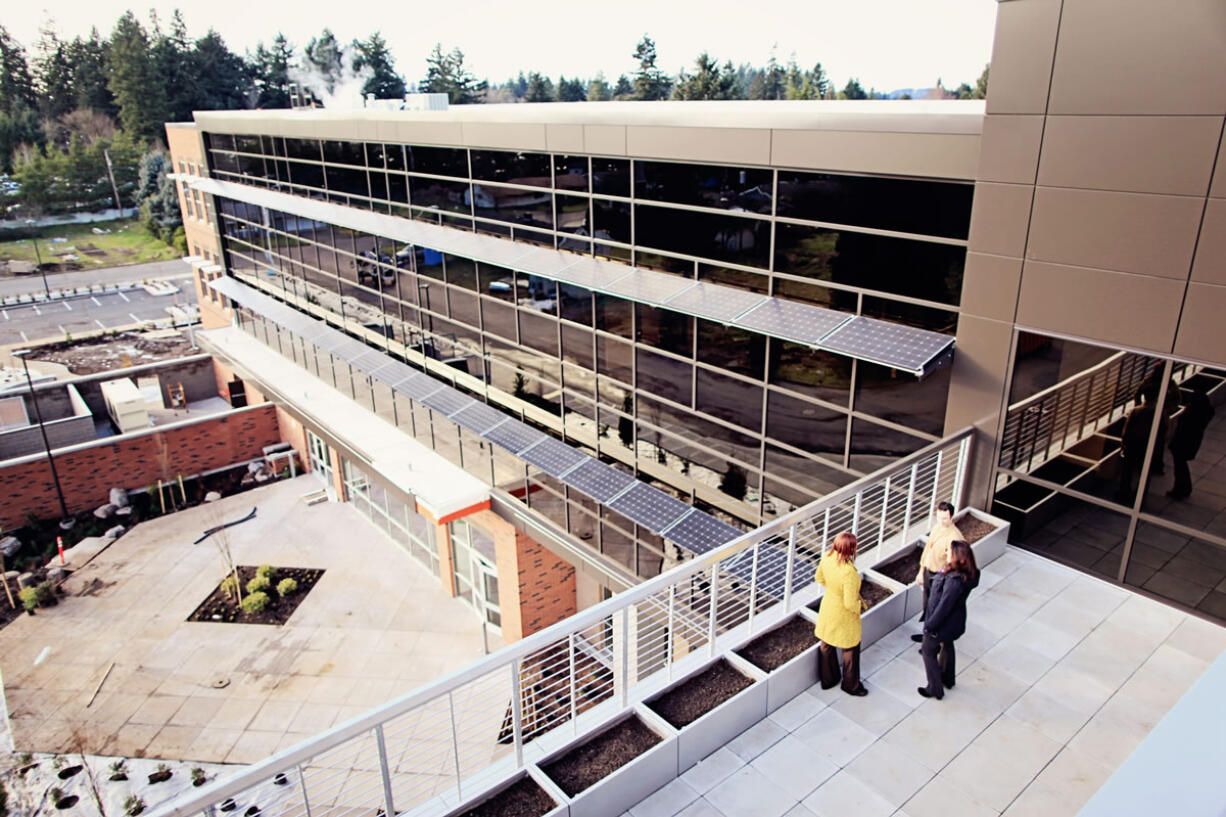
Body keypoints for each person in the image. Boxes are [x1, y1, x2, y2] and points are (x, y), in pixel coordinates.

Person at [917, 540, 980, 700]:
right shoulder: (968, 574)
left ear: (958, 558)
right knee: (948, 644)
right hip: (954, 622)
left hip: (942, 624)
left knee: (928, 651)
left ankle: (935, 688)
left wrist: (929, 626)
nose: (947, 554)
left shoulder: (954, 581)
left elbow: (944, 606)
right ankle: (948, 678)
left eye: (950, 552)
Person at [814, 531, 868, 696]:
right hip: (843, 614)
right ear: (850, 549)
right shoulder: (849, 573)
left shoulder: (827, 558)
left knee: (826, 644)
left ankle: (828, 680)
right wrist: (860, 606)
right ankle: (851, 685)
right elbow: (849, 603)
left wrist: (833, 590)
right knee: (850, 649)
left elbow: (819, 578)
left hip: (829, 606)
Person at [911, 501, 962, 644]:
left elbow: (954, 563)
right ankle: (927, 635)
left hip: (940, 577)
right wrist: (921, 572)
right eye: (939, 517)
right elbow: (928, 550)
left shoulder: (954, 537)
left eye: (944, 518)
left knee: (935, 609)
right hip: (929, 572)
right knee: (927, 606)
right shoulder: (937, 528)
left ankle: (933, 642)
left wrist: (942, 577)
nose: (941, 521)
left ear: (951, 517)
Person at [1168, 387, 1215, 500]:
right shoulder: (1205, 413)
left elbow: (1181, 429)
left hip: (1182, 443)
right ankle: (1184, 488)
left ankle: (1180, 489)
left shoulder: (1191, 414)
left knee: (1180, 467)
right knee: (1181, 465)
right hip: (1192, 443)